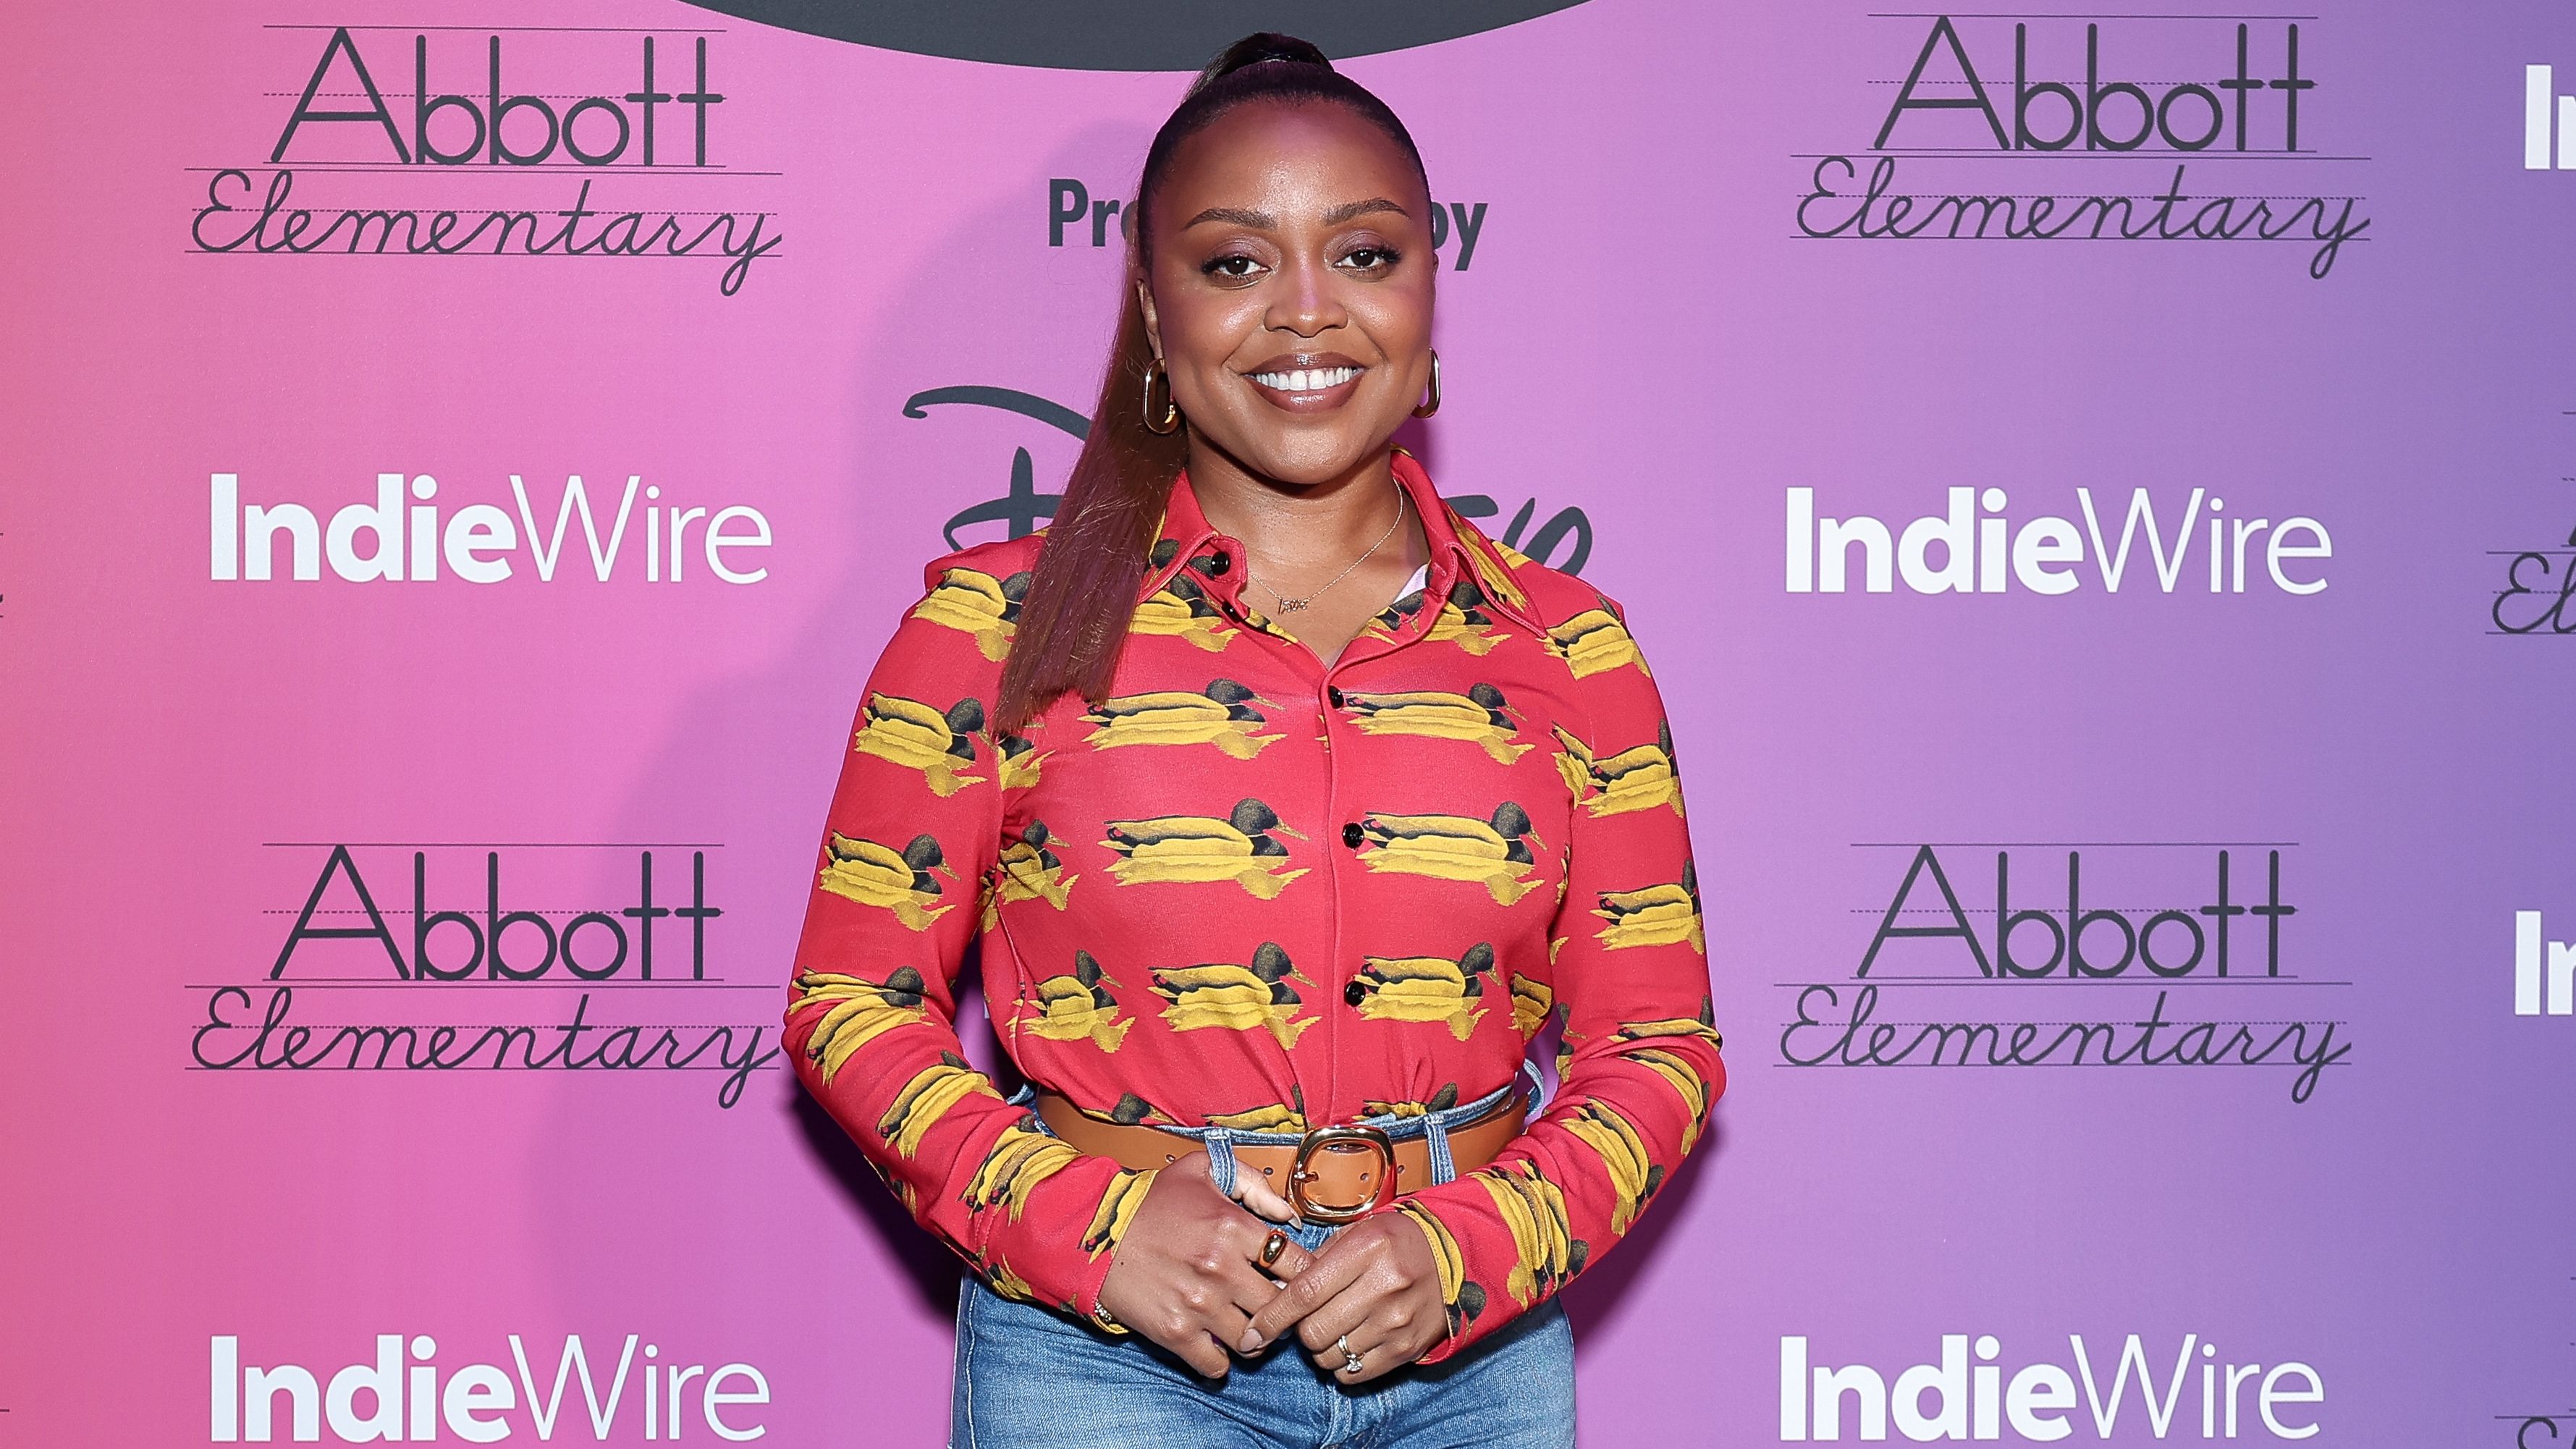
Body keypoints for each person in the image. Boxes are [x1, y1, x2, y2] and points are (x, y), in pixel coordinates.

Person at [785, 33, 1723, 1448]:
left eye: (1363, 255)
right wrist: (1088, 1226)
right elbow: (849, 1000)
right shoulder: (991, 629)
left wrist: (1476, 1246)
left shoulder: (1574, 650)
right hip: (1108, 1365)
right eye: (1235, 262)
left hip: (1474, 1371)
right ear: (1153, 314)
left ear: (1428, 293)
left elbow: (1660, 1045)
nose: (1306, 312)